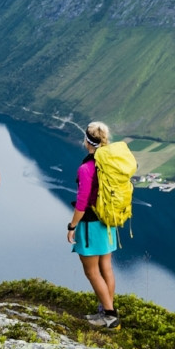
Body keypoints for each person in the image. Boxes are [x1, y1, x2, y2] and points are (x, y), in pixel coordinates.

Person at [67, 121, 120, 327]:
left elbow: (82, 202)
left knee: (91, 271)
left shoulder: (87, 168)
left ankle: (109, 315)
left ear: (86, 141)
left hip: (90, 224)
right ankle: (106, 309)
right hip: (108, 221)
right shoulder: (109, 163)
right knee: (106, 266)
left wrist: (72, 226)